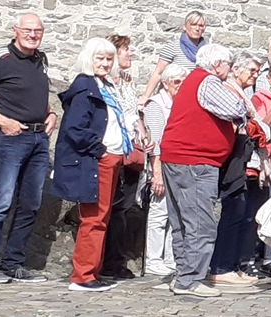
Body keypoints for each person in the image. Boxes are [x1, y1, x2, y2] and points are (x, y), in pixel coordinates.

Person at [0, 13, 53, 284]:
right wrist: (3, 122)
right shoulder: (0, 57)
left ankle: (13, 263)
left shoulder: (41, 59)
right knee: (1, 202)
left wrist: (51, 114)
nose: (33, 34)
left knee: (31, 204)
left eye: (38, 30)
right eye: (27, 29)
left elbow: (33, 95)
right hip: (10, 139)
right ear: (15, 30)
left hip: (39, 140)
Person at [158, 44, 247, 297]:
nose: (230, 70)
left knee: (183, 223)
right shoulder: (208, 82)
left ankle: (184, 275)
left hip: (179, 158)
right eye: (228, 64)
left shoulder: (193, 80)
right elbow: (236, 109)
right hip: (194, 161)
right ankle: (190, 280)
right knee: (199, 223)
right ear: (218, 64)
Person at [53, 38, 134, 291]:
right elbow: (75, 129)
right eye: (100, 58)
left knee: (103, 217)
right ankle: (83, 275)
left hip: (112, 158)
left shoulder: (105, 85)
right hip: (98, 160)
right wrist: (101, 152)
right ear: (89, 58)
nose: (105, 63)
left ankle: (93, 271)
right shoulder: (85, 86)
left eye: (109, 59)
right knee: (94, 218)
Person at [206, 51, 263, 287]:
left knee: (241, 214)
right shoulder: (228, 89)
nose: (255, 75)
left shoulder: (243, 92)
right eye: (251, 70)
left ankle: (232, 264)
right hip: (234, 159)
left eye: (257, 71)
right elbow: (240, 121)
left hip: (244, 157)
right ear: (237, 69)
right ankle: (220, 266)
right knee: (233, 212)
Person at [99, 34, 148, 280]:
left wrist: (143, 132)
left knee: (125, 207)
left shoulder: (127, 82)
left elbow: (133, 114)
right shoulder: (106, 83)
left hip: (131, 150)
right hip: (114, 148)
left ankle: (116, 262)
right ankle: (107, 262)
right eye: (126, 50)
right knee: (112, 207)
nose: (131, 54)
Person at [141, 65, 188, 276]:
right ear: (166, 83)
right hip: (160, 165)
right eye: (177, 82)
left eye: (183, 82)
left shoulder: (181, 104)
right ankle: (153, 259)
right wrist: (157, 174)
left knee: (175, 215)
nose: (181, 86)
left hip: (177, 165)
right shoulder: (156, 105)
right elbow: (156, 142)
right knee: (159, 214)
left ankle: (171, 257)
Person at [141, 11, 207, 104]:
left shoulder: (206, 51)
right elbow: (158, 73)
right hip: (173, 98)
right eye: (193, 24)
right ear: (185, 26)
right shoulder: (172, 47)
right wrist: (146, 96)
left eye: (201, 26)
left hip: (196, 99)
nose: (197, 28)